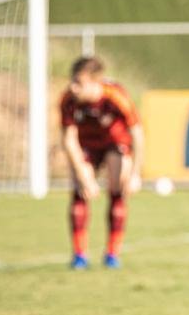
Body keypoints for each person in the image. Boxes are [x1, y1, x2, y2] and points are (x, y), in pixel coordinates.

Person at [59, 56, 143, 270]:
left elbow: (137, 133)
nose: (73, 87)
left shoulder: (115, 95)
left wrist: (135, 174)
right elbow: (69, 139)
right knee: (80, 189)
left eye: (79, 82)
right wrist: (82, 175)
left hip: (115, 143)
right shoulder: (68, 99)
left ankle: (112, 254)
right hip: (86, 145)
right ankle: (79, 255)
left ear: (95, 82)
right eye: (73, 81)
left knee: (118, 188)